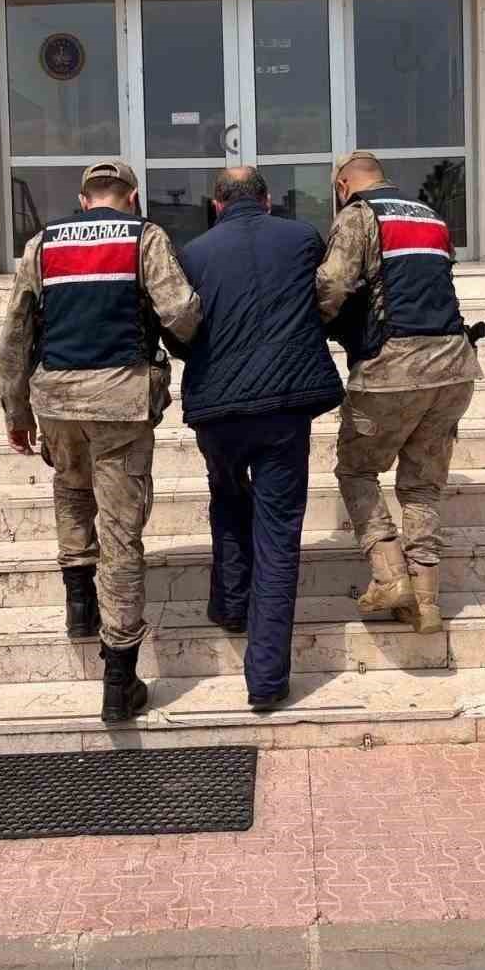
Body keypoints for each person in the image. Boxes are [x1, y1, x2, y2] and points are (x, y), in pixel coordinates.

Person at [0, 160, 201, 723]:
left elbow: (16, 333)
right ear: (131, 197)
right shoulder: (145, 237)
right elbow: (180, 314)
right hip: (121, 400)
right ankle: (119, 677)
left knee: (70, 488)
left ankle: (79, 604)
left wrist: (16, 410)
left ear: (84, 199)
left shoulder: (43, 244)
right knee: (121, 534)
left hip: (55, 400)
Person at [177, 166, 344, 711]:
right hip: (284, 407)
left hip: (217, 407)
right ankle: (267, 680)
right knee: (277, 535)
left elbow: (179, 325)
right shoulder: (302, 237)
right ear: (268, 200)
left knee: (227, 497)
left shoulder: (193, 252)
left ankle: (231, 604)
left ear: (217, 205)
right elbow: (327, 298)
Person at [316, 151, 479, 633]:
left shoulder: (359, 215)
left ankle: (389, 574)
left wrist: (316, 324)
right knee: (423, 487)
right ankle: (426, 599)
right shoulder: (429, 215)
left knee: (357, 469)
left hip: (393, 369)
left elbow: (333, 284)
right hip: (454, 367)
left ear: (343, 186)